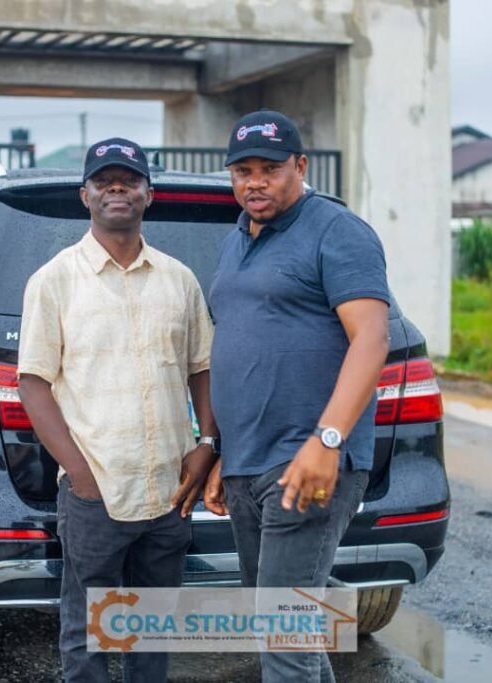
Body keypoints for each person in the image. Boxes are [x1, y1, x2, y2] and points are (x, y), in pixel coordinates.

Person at [17, 138, 219, 683]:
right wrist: (80, 474)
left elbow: (202, 368)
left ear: (148, 194)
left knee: (150, 629)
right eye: (103, 181)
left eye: (129, 180)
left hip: (169, 490)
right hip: (96, 491)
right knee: (87, 630)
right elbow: (33, 384)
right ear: (85, 195)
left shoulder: (179, 279)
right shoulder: (55, 280)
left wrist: (206, 444)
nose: (116, 189)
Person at [203, 110, 392, 682]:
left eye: (270, 169)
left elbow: (372, 339)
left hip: (307, 461)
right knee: (288, 630)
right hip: (247, 463)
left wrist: (326, 440)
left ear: (301, 166)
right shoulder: (237, 239)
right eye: (243, 171)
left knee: (283, 636)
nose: (255, 182)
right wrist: (223, 452)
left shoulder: (337, 231)